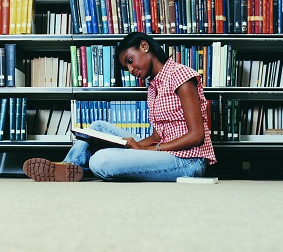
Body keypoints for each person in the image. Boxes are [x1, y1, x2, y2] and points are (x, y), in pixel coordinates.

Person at [23, 32, 216, 182]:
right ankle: (69, 166)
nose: (131, 70)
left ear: (144, 46)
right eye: (127, 68)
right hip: (164, 150)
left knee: (101, 160)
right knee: (98, 126)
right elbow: (158, 136)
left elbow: (196, 135)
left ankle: (82, 167)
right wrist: (138, 146)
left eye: (130, 61)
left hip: (187, 161)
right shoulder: (154, 85)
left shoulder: (180, 75)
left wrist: (148, 150)